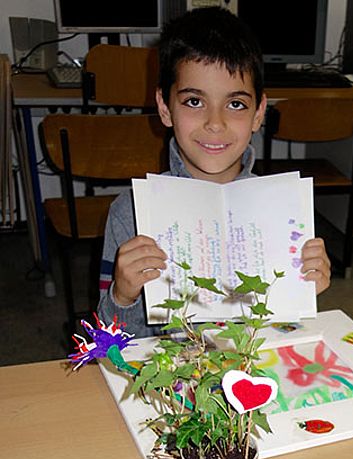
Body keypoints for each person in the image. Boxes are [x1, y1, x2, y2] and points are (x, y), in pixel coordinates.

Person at [98, 7, 331, 338]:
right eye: (194, 101)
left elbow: (285, 336)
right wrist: (122, 296)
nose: (215, 123)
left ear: (258, 113)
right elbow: (109, 341)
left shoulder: (282, 215)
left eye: (235, 104)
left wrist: (306, 290)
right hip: (172, 369)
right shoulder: (131, 213)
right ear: (164, 107)